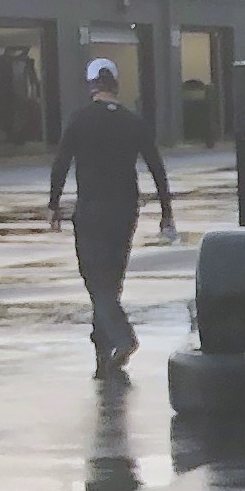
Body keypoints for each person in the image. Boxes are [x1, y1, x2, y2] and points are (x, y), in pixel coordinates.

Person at [47, 61, 174, 375]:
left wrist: (54, 204)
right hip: (125, 211)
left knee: (95, 279)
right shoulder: (134, 123)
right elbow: (157, 168)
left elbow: (61, 162)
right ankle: (103, 348)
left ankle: (122, 337)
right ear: (115, 84)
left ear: (92, 85)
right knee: (112, 281)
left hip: (91, 210)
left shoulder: (79, 121)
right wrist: (166, 213)